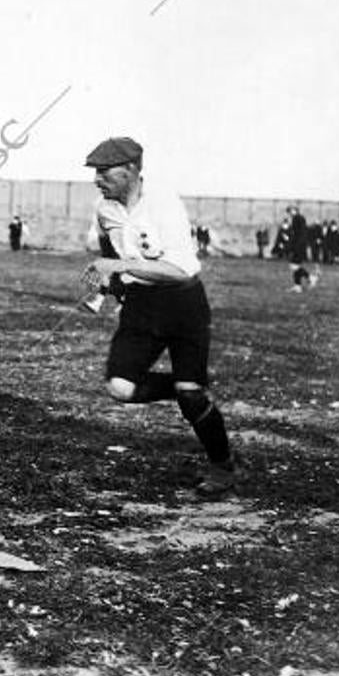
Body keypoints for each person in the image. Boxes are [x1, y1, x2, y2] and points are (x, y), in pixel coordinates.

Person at [82, 136, 236, 497]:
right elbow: (109, 246)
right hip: (140, 305)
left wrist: (118, 263)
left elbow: (181, 268)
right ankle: (188, 388)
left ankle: (222, 465)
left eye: (105, 171)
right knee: (120, 388)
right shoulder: (104, 209)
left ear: (133, 169)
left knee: (192, 395)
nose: (97, 179)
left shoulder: (163, 202)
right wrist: (111, 283)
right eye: (95, 172)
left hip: (183, 304)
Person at [285, 206, 315, 292]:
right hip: (299, 245)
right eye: (289, 212)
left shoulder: (298, 218)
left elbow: (301, 233)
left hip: (299, 246)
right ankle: (298, 286)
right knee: (296, 266)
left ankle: (309, 277)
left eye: (291, 211)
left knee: (294, 266)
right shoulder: (297, 218)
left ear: (295, 210)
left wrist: (297, 246)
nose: (290, 213)